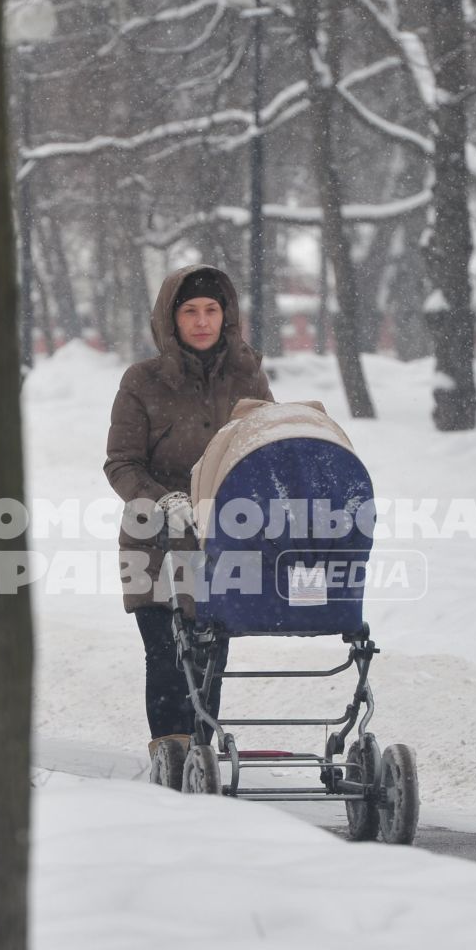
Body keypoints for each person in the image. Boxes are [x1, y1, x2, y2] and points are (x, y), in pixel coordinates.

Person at [103, 263, 274, 785]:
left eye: (211, 310)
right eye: (190, 311)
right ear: (170, 319)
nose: (201, 321)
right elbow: (121, 463)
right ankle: (172, 761)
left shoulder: (248, 375)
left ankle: (201, 753)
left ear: (226, 316)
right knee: (167, 651)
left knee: (209, 649)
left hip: (221, 540)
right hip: (153, 541)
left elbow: (261, 448)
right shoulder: (143, 381)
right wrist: (164, 500)